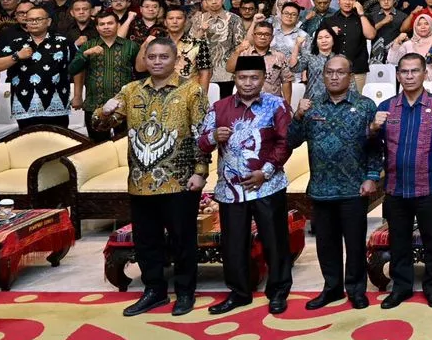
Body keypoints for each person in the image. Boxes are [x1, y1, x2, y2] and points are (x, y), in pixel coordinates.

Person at [103, 35, 209, 317]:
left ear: (176, 60)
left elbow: (203, 135)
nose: (157, 62)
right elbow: (103, 123)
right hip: (140, 182)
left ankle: (185, 292)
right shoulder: (130, 90)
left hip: (180, 181)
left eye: (164, 57)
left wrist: (201, 172)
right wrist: (104, 112)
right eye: (152, 57)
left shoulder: (192, 91)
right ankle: (154, 291)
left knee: (182, 240)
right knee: (146, 241)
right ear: (145, 60)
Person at [197, 54, 294, 315]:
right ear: (234, 79)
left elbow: (286, 142)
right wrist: (213, 136)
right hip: (231, 190)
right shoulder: (219, 107)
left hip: (267, 186)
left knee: (275, 241)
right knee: (234, 244)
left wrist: (266, 172)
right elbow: (201, 143)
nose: (248, 83)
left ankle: (278, 291)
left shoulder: (277, 105)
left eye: (254, 77)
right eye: (242, 77)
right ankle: (239, 293)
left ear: (263, 78)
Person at [290, 55, 381, 310]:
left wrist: (372, 176)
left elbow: (376, 146)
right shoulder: (311, 105)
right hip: (321, 188)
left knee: (354, 244)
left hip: (354, 188)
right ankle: (331, 289)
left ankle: (356, 290)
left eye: (340, 72)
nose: (334, 76)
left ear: (350, 76)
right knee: (326, 245)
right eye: (329, 72)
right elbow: (291, 141)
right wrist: (297, 115)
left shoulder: (365, 106)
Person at [372, 52, 432, 309]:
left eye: (414, 71)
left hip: (429, 186)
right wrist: (372, 129)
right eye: (404, 72)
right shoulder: (385, 108)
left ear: (424, 74)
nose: (409, 76)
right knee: (399, 240)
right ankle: (401, 287)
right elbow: (372, 147)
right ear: (398, 75)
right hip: (396, 187)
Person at [0, 5, 76, 130]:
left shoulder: (63, 42)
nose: (34, 22)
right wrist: (17, 56)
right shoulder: (17, 43)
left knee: (58, 140)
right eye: (30, 20)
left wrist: (78, 95)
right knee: (29, 140)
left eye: (38, 19)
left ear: (48, 21)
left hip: (57, 103)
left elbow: (78, 67)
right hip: (25, 104)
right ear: (26, 23)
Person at [70, 8, 139, 140]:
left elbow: (140, 71)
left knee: (124, 144)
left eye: (110, 23)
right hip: (94, 104)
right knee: (97, 147)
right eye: (102, 24)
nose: (106, 27)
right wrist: (85, 54)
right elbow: (72, 69)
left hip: (123, 105)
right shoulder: (88, 46)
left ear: (118, 25)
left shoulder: (131, 46)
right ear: (97, 27)